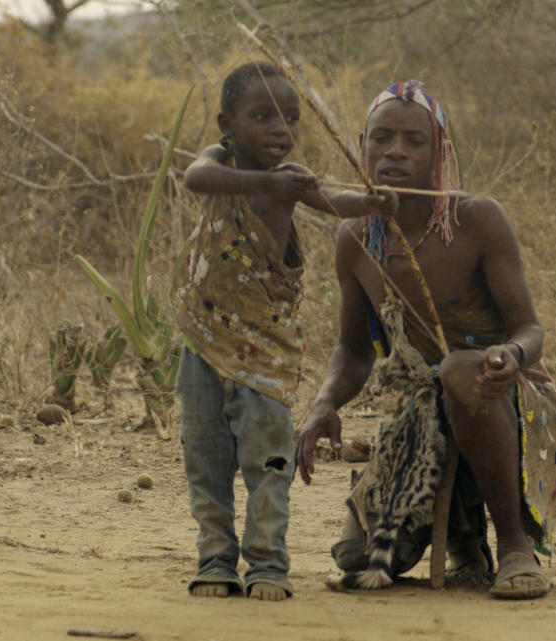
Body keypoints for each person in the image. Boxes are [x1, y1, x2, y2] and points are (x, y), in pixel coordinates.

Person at [295, 80, 556, 600]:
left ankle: (513, 544)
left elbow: (530, 330)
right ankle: (464, 540)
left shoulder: (477, 220)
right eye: (382, 138)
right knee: (359, 561)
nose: (395, 150)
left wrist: (509, 357)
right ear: (362, 145)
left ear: (438, 151)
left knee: (461, 372)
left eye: (413, 140)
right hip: (422, 415)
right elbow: (354, 350)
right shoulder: (356, 237)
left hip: (503, 397)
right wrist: (324, 402)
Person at [174, 61, 394, 602]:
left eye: (291, 119)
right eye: (263, 116)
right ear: (228, 122)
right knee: (206, 458)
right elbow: (193, 178)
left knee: (268, 463)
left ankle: (269, 565)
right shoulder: (218, 163)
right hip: (203, 344)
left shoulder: (292, 181)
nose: (281, 129)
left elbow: (334, 204)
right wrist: (269, 183)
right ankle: (216, 559)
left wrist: (370, 204)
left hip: (266, 353)